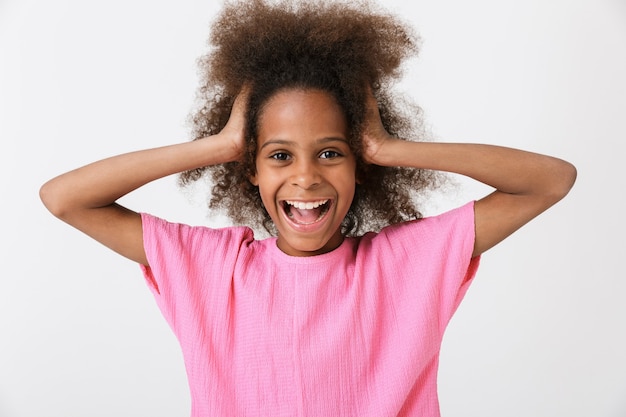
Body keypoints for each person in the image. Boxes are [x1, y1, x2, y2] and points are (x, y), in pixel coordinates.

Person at [39, 0, 576, 416]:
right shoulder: (212, 268)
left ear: (359, 164)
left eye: (330, 152)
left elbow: (551, 182)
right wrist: (222, 144)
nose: (305, 176)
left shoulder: (407, 263)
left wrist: (388, 148)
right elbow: (64, 198)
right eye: (278, 155)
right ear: (250, 168)